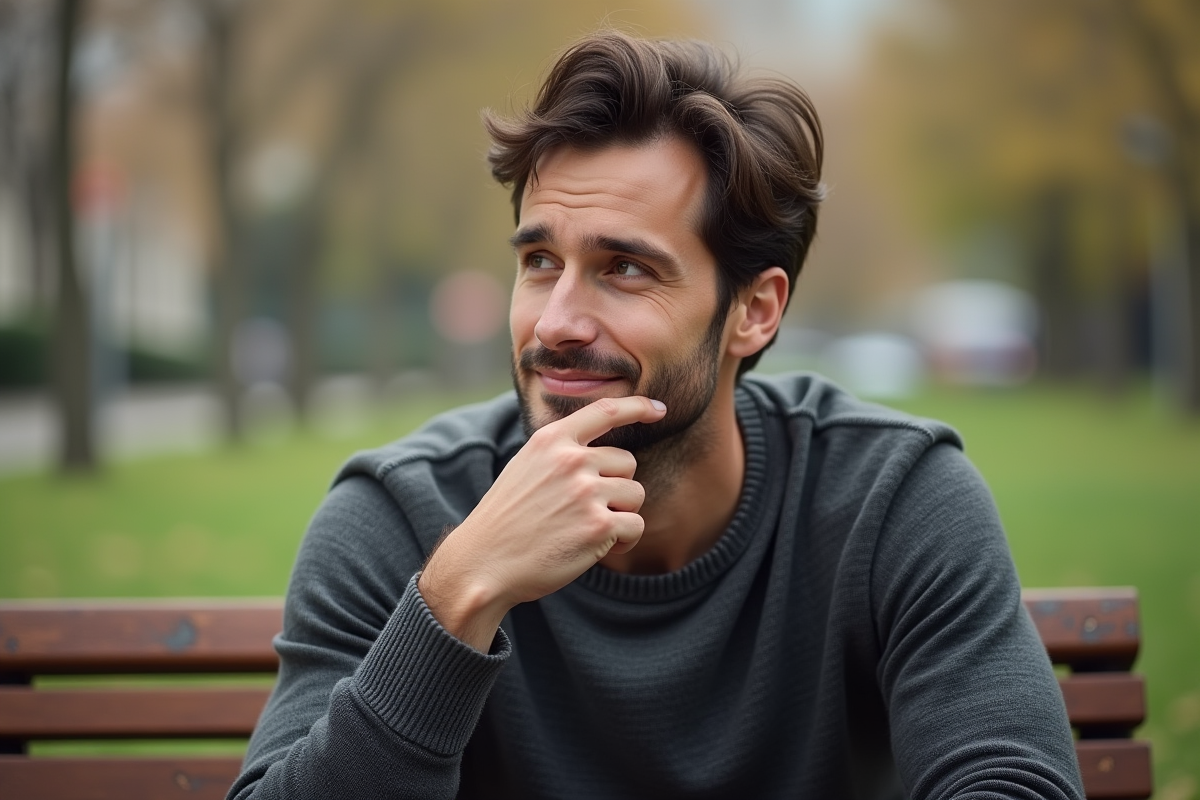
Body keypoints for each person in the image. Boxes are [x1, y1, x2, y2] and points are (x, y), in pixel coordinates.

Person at [229, 31, 1084, 800]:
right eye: (538, 260)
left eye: (625, 269)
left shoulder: (890, 501)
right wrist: (456, 600)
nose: (556, 320)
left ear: (754, 310)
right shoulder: (396, 518)